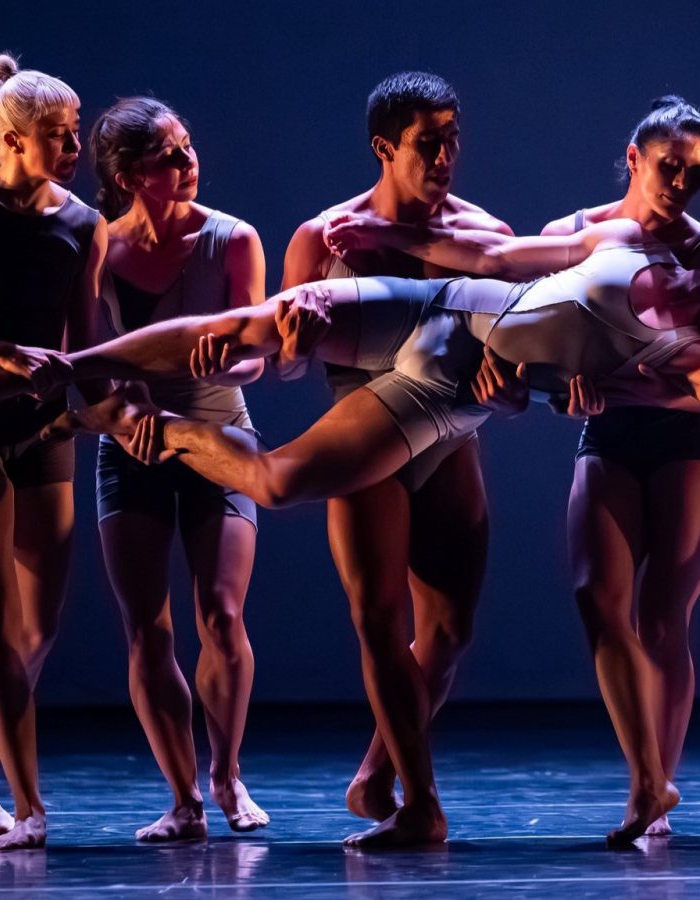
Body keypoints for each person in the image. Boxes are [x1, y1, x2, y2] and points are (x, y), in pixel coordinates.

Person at [0, 216, 700, 846]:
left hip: (446, 386)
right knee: (236, 325)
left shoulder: (692, 358)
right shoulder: (632, 243)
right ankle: (68, 370)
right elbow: (493, 254)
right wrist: (380, 243)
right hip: (437, 299)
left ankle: (151, 427)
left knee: (281, 480)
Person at [280, 72, 516, 828]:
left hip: (447, 438)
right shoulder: (324, 237)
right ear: (385, 148)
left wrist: (506, 378)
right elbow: (282, 361)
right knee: (377, 618)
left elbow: (514, 372)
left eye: (453, 138)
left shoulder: (487, 238)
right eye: (427, 143)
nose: (445, 156)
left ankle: (377, 775)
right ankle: (422, 801)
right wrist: (295, 345)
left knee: (448, 631)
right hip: (364, 437)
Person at [542, 97, 700, 837]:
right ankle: (649, 780)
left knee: (663, 617)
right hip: (609, 431)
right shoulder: (574, 234)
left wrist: (640, 383)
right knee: (598, 599)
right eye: (668, 167)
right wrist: (560, 386)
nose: (681, 185)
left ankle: (651, 795)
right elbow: (531, 332)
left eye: (694, 175)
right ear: (633, 158)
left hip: (689, 437)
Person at [89, 96, 269, 841]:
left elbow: (264, 348)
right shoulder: (97, 246)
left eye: (188, 147)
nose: (188, 162)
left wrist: (231, 357)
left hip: (219, 435)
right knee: (146, 631)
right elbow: (91, 354)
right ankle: (183, 798)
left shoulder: (231, 240)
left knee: (221, 615)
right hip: (132, 445)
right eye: (169, 155)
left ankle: (226, 774)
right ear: (132, 175)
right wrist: (122, 404)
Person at [0, 54, 106, 851]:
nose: (73, 149)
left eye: (75, 135)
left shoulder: (81, 223)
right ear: (9, 137)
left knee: (36, 634)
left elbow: (87, 341)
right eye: (56, 136)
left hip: (43, 432)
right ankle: (29, 807)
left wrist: (100, 400)